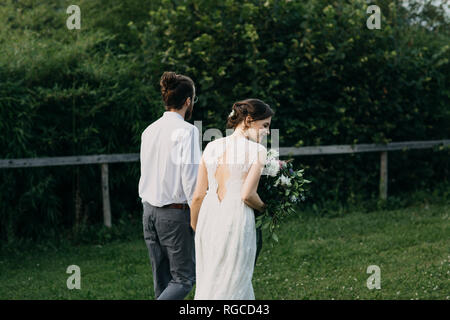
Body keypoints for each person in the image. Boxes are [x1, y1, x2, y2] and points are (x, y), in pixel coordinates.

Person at [190, 99, 274, 299]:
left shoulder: (210, 147)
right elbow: (247, 195)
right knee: (236, 279)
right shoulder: (258, 151)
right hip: (236, 217)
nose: (268, 132)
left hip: (208, 219)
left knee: (210, 279)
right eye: (265, 125)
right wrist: (265, 208)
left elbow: (198, 196)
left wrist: (196, 226)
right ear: (248, 120)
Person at [139, 71, 200, 300]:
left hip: (149, 212)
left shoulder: (149, 130)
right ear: (188, 101)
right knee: (183, 279)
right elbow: (190, 181)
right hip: (174, 214)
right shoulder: (188, 131)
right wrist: (198, 220)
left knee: (162, 281)